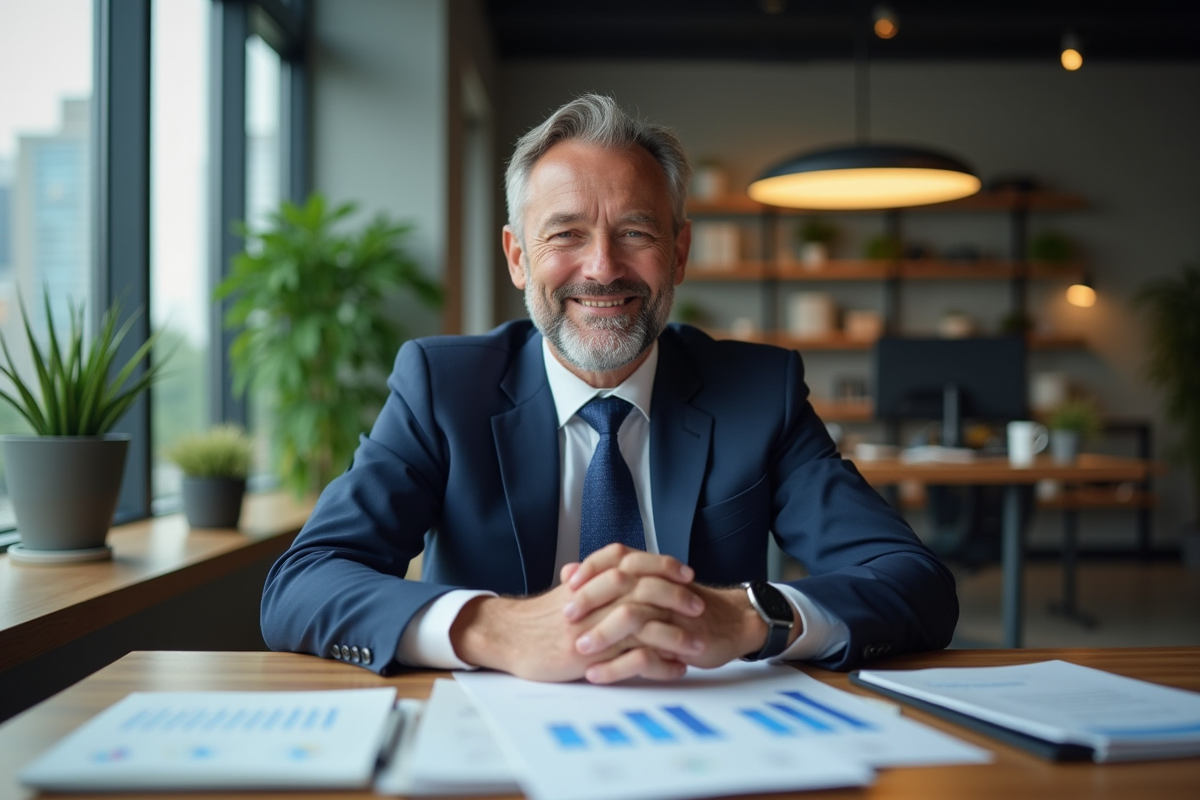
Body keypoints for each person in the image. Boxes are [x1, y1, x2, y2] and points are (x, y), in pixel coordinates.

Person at [261, 94, 957, 684]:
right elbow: (304, 581)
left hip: (708, 734)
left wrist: (749, 616)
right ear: (516, 257)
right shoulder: (443, 388)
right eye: (565, 233)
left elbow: (911, 579)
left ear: (679, 253)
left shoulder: (757, 390)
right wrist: (495, 628)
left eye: (635, 233)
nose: (602, 268)